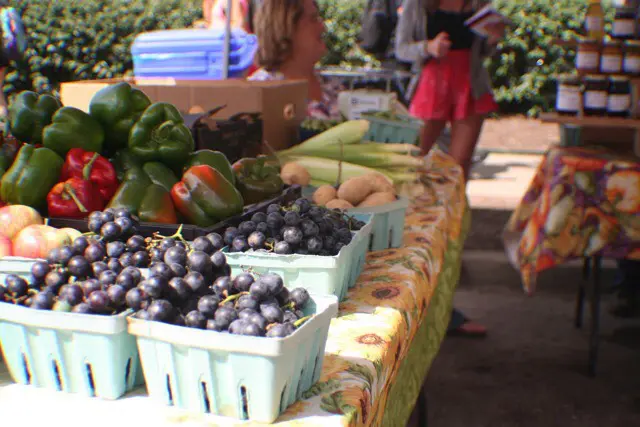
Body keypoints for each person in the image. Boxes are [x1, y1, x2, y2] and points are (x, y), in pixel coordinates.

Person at [395, 0, 506, 337]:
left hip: (468, 85)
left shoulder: (478, 5)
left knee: (455, 183)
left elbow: (484, 53)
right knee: (407, 173)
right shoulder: (419, 4)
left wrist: (493, 39)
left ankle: (447, 285)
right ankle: (403, 267)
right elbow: (401, 48)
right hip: (431, 83)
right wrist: (427, 47)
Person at [247, 0, 342, 121]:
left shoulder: (333, 88)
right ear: (286, 27)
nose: (322, 27)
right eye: (313, 19)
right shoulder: (258, 93)